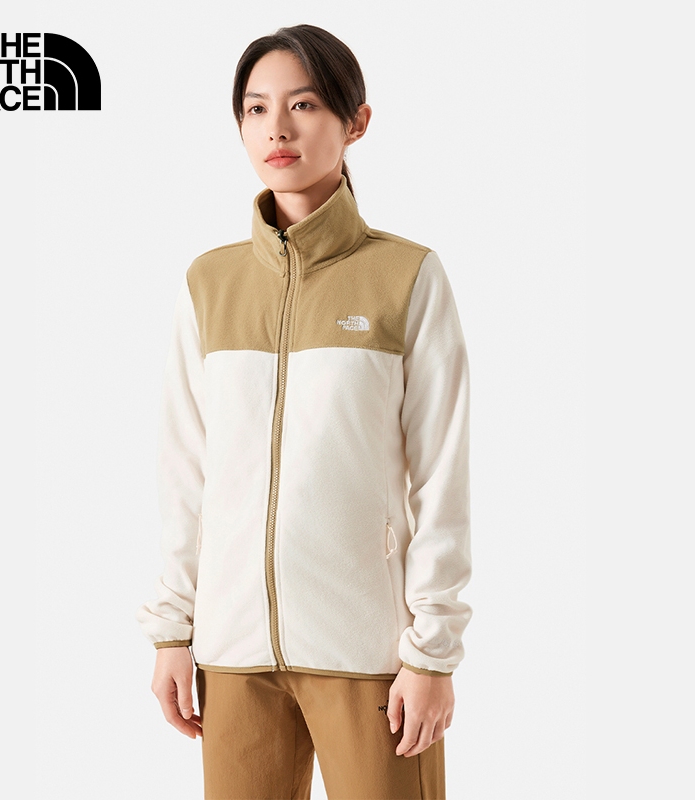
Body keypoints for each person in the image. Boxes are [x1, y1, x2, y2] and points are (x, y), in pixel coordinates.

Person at [135, 23, 472, 800]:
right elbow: (184, 472)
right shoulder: (209, 284)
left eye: (305, 104)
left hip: (371, 655)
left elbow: (443, 475)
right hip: (232, 655)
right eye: (256, 108)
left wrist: (432, 652)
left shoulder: (406, 277)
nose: (276, 129)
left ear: (356, 122)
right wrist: (171, 632)